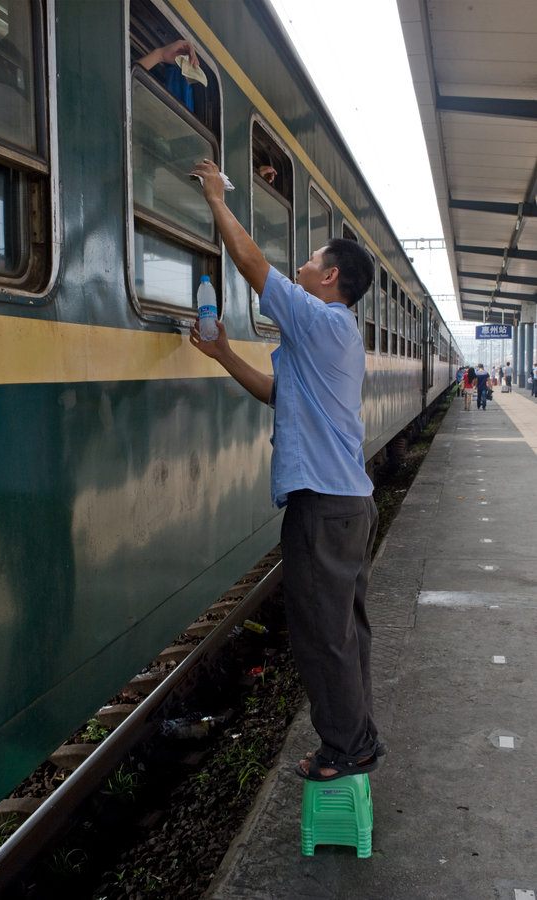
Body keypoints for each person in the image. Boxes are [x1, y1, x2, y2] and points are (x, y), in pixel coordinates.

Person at [189, 158, 383, 781]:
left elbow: (250, 266)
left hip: (325, 508)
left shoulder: (321, 319)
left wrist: (218, 200)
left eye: (308, 262)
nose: (298, 268)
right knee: (344, 633)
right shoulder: (329, 335)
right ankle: (359, 738)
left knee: (323, 636)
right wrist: (222, 354)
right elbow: (278, 393)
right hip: (341, 504)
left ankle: (345, 750)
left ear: (329, 277)